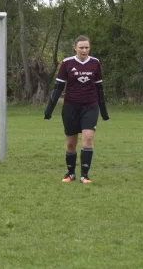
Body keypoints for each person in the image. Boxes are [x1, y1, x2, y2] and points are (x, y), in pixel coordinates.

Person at [44, 35, 109, 184]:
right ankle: (70, 173)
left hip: (90, 107)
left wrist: (104, 111)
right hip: (71, 108)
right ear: (75, 48)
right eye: (81, 47)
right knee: (71, 144)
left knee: (88, 138)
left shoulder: (95, 63)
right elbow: (58, 88)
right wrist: (49, 110)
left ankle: (84, 175)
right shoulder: (67, 63)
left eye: (87, 47)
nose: (84, 50)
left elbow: (99, 88)